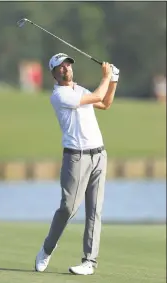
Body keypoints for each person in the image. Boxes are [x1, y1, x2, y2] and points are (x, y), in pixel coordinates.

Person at [35, 53, 120, 275]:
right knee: (68, 208)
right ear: (53, 73)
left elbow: (105, 102)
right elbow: (97, 95)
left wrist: (114, 81)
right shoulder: (59, 95)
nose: (65, 69)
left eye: (68, 65)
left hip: (99, 155)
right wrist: (107, 76)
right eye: (60, 67)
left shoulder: (80, 90)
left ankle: (89, 261)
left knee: (95, 211)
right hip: (76, 157)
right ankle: (47, 248)